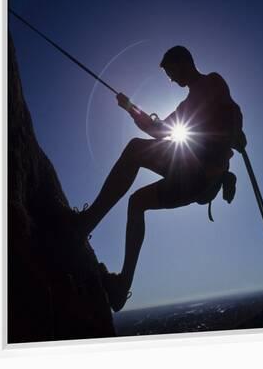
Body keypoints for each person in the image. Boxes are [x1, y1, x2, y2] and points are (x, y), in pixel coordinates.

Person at [74, 45, 242, 312]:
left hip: (198, 175)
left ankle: (86, 223)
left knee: (134, 150)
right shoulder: (191, 102)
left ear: (184, 63)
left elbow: (166, 129)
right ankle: (120, 288)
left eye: (171, 72)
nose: (172, 80)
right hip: (197, 180)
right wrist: (130, 108)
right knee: (137, 202)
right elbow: (159, 129)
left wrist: (230, 144)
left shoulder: (211, 82)